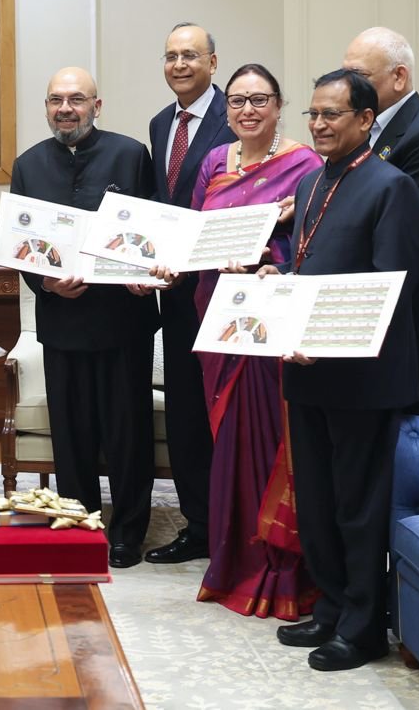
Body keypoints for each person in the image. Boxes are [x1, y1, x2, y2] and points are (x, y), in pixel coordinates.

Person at [265, 68, 419, 671]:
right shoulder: (310, 185)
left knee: (358, 505)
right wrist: (277, 284)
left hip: (361, 376)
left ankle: (363, 628)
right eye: (313, 115)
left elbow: (390, 291)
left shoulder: (392, 186)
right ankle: (331, 607)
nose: (319, 125)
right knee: (318, 498)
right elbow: (311, 268)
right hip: (305, 368)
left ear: (364, 120)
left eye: (332, 115)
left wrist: (326, 340)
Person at [180, 63, 323, 618]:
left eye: (258, 100)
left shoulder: (304, 164)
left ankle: (282, 569)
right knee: (230, 442)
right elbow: (196, 231)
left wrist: (271, 257)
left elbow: (313, 247)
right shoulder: (217, 161)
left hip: (269, 320)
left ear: (279, 105)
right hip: (218, 315)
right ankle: (232, 562)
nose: (246, 111)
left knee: (270, 445)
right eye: (237, 101)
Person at [9, 67, 159, 568]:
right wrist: (46, 282)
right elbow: (21, 247)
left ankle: (128, 533)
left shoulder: (131, 154)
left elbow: (154, 227)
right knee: (71, 436)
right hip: (62, 320)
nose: (66, 109)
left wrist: (146, 273)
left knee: (126, 432)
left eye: (77, 99)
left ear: (98, 105)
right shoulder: (28, 165)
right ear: (47, 107)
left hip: (122, 322)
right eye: (56, 100)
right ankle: (78, 523)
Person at [341, 27, 419, 418]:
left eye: (359, 77)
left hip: (409, 331)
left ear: (399, 77)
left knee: (406, 464)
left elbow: (403, 231)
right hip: (365, 329)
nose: (347, 87)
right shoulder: (362, 132)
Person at [145, 21, 236, 565]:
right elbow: (164, 203)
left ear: (213, 62)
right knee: (184, 413)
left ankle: (235, 528)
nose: (179, 65)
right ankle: (197, 524)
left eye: (191, 56)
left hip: (224, 291)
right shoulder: (161, 124)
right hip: (176, 298)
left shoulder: (239, 118)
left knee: (225, 412)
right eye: (171, 56)